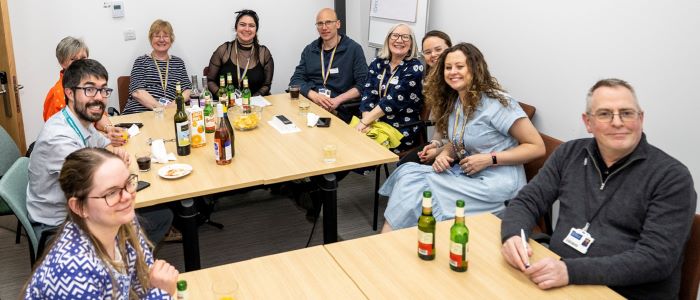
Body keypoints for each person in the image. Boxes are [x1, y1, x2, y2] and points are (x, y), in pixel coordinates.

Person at [500, 79, 697, 299]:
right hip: (560, 282)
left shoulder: (672, 177)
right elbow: (527, 200)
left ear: (641, 118)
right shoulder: (569, 154)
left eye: (626, 113)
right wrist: (513, 236)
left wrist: (569, 271)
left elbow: (655, 259)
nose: (617, 122)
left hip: (623, 292)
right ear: (588, 122)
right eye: (604, 114)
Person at [379, 43, 545, 232]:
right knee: (409, 175)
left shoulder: (497, 102)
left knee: (418, 187)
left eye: (460, 66)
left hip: (497, 185)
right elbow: (460, 139)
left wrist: (489, 159)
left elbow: (537, 147)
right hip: (470, 175)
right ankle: (393, 240)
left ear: (474, 68)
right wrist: (444, 153)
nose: (452, 72)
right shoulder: (458, 100)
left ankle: (389, 240)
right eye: (448, 68)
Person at [27, 58, 173, 245]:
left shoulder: (79, 121)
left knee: (159, 212)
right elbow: (92, 188)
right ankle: (115, 266)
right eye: (89, 89)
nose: (99, 97)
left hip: (80, 204)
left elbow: (103, 144)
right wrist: (116, 166)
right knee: (160, 216)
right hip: (60, 223)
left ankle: (122, 262)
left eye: (103, 89)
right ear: (69, 93)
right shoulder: (59, 139)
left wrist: (113, 155)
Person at [24, 148, 178, 299]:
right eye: (111, 193)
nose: (126, 197)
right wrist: (161, 293)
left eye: (128, 183)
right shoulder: (74, 270)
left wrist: (156, 289)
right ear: (79, 207)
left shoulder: (123, 222)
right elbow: (153, 288)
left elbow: (141, 284)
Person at [289, 8, 368, 123]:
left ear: (338, 24)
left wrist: (338, 100)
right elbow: (295, 80)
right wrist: (314, 96)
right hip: (312, 105)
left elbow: (363, 84)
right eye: (320, 23)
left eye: (328, 22)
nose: (324, 27)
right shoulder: (310, 50)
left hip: (339, 110)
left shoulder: (353, 49)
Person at [357, 23, 425, 153]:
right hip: (374, 120)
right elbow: (368, 94)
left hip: (401, 127)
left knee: (361, 148)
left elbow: (392, 101)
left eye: (405, 37)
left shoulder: (415, 68)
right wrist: (367, 122)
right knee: (349, 141)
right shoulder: (377, 62)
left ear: (411, 43)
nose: (399, 40)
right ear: (388, 39)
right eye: (395, 36)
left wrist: (365, 122)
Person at [43, 36, 124, 145]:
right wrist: (105, 137)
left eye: (83, 58)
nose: (80, 63)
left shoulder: (91, 83)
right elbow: (71, 134)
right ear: (62, 63)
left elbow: (96, 112)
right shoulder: (57, 93)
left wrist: (109, 129)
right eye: (73, 59)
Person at [400, 30, 452, 165]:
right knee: (404, 165)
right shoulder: (433, 83)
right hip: (443, 145)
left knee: (413, 172)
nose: (433, 55)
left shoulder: (458, 84)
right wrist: (434, 143)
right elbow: (441, 124)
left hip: (459, 150)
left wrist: (437, 151)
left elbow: (466, 139)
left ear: (450, 49)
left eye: (438, 49)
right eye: (428, 52)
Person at [122, 19, 191, 114]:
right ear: (151, 39)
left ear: (171, 39)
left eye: (166, 36)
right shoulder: (141, 61)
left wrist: (172, 106)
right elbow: (137, 92)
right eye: (157, 36)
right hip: (140, 112)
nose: (161, 39)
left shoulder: (178, 63)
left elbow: (187, 91)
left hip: (170, 112)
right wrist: (161, 108)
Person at [207, 9, 274, 97]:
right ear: (236, 27)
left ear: (256, 30)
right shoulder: (224, 50)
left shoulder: (264, 53)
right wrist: (224, 97)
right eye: (242, 25)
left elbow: (266, 85)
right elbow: (210, 81)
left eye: (251, 25)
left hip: (254, 106)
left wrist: (249, 101)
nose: (247, 29)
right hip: (227, 105)